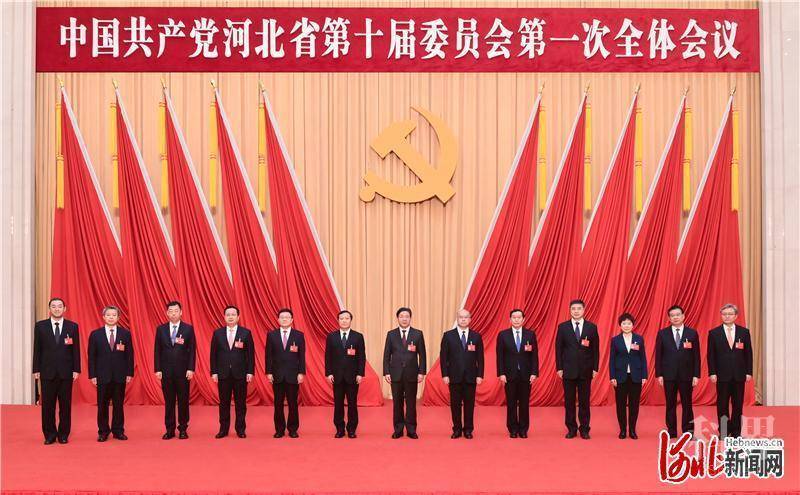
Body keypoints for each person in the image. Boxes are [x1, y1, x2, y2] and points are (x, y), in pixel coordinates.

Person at [32, 297, 80, 444]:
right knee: (48, 406)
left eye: (59, 306)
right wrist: (36, 369)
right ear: (49, 309)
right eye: (53, 306)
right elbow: (37, 349)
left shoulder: (72, 326)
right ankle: (49, 435)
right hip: (47, 372)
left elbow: (76, 350)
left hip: (66, 372)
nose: (57, 309)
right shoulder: (40, 326)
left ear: (64, 309)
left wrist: (76, 369)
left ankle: (63, 434)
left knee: (65, 405)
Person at [88, 305, 134, 442]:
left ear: (118, 317)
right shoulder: (95, 334)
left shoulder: (125, 334)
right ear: (103, 317)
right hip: (102, 375)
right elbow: (91, 356)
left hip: (120, 375)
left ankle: (118, 431)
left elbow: (129, 355)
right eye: (108, 315)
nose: (111, 317)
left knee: (118, 405)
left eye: (114, 315)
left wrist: (129, 373)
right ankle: (103, 432)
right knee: (102, 405)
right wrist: (93, 375)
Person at [654, 305, 701, 439]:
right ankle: (672, 431)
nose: (675, 317)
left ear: (683, 316)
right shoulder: (662, 333)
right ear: (669, 318)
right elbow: (658, 355)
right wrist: (659, 374)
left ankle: (688, 431)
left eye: (678, 315)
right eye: (672, 315)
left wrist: (696, 375)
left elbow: (696, 356)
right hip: (668, 374)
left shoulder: (692, 333)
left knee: (687, 404)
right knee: (670, 404)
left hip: (687, 375)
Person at [555, 299, 599, 439]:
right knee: (569, 402)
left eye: (579, 308)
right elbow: (558, 349)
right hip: (568, 370)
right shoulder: (563, 327)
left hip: (586, 370)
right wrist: (559, 368)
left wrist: (595, 368)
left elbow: (595, 350)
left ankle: (584, 429)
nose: (576, 311)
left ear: (583, 310)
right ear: (570, 310)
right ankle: (571, 429)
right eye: (573, 309)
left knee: (584, 402)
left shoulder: (591, 327)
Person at [707, 303, 753, 438]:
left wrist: (749, 372)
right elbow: (711, 355)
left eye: (730, 314)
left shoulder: (744, 332)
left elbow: (748, 353)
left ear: (736, 316)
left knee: (738, 404)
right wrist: (712, 372)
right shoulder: (714, 333)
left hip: (739, 374)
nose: (727, 316)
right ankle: (724, 431)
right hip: (722, 375)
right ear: (721, 316)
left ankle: (736, 431)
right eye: (724, 314)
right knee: (722, 405)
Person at [210, 305, 254, 439]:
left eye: (233, 314)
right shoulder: (217, 333)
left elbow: (250, 355)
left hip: (240, 374)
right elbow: (213, 355)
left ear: (238, 317)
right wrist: (214, 372)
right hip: (223, 374)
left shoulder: (245, 333)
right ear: (224, 317)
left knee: (241, 403)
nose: (230, 317)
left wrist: (250, 372)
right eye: (228, 314)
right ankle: (223, 429)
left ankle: (240, 429)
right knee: (224, 403)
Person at [154, 300, 196, 439]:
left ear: (181, 312)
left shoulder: (188, 329)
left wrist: (191, 368)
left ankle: (183, 429)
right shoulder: (161, 329)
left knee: (183, 401)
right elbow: (157, 350)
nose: (173, 313)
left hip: (183, 372)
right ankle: (170, 430)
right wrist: (158, 369)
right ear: (167, 313)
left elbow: (192, 351)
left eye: (176, 311)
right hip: (166, 372)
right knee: (169, 401)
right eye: (170, 311)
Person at [382, 307, 426, 439]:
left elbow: (422, 355)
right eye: (401, 316)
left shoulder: (418, 334)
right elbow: (386, 355)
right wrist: (386, 372)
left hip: (412, 374)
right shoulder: (391, 334)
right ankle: (398, 429)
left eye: (407, 316)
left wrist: (421, 372)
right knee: (397, 403)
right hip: (395, 374)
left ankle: (411, 430)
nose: (404, 319)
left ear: (410, 318)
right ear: (398, 318)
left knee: (411, 403)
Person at [440, 309, 484, 439]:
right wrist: (445, 374)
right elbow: (443, 357)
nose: (463, 319)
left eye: (466, 317)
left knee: (469, 405)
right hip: (454, 376)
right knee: (455, 405)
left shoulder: (476, 336)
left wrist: (480, 375)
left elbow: (480, 358)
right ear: (457, 319)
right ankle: (457, 429)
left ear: (470, 319)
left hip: (471, 376)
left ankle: (468, 430)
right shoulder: (448, 335)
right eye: (461, 317)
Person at [496, 308, 538, 438]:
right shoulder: (503, 335)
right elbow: (500, 356)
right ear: (510, 319)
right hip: (509, 375)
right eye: (514, 317)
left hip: (526, 375)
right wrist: (501, 373)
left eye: (519, 317)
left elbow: (534, 356)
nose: (516, 320)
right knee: (511, 403)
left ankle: (523, 429)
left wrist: (534, 372)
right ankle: (513, 429)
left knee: (524, 403)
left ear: (523, 319)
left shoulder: (530, 335)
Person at [325, 310, 365, 438]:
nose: (344, 321)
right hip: (336, 376)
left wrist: (360, 374)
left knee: (352, 404)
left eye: (347, 318)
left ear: (350, 320)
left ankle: (352, 429)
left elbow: (361, 357)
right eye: (341, 318)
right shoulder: (331, 336)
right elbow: (328, 356)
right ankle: (340, 429)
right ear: (338, 320)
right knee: (338, 404)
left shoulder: (358, 336)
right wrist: (328, 373)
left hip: (353, 376)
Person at [266, 308, 306, 438]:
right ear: (278, 320)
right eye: (282, 317)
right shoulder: (271, 335)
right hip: (277, 374)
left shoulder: (298, 335)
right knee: (278, 404)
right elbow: (268, 356)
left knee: (293, 403)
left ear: (292, 320)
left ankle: (293, 429)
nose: (284, 319)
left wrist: (301, 372)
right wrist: (269, 372)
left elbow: (302, 356)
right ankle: (279, 429)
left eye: (287, 317)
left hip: (293, 375)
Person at [609, 313, 647, 439]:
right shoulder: (615, 340)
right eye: (624, 323)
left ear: (633, 325)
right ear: (620, 325)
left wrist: (644, 375)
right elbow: (612, 359)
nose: (626, 326)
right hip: (620, 376)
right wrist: (612, 376)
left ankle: (632, 430)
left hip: (636, 376)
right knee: (620, 405)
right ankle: (622, 430)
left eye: (629, 323)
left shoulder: (639, 339)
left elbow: (643, 358)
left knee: (634, 405)